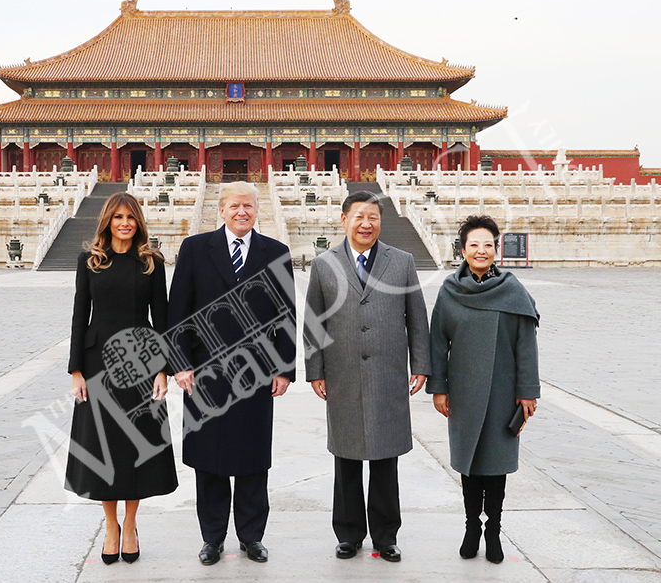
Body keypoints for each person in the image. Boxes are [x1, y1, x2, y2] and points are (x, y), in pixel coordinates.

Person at [168, 181, 296, 566]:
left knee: (253, 459)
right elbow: (179, 311)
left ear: (257, 210)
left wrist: (285, 368)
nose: (242, 212)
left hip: (255, 373)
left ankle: (252, 537)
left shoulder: (275, 252)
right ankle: (212, 539)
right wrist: (179, 363)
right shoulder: (195, 249)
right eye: (235, 206)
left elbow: (286, 316)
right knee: (209, 461)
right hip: (205, 372)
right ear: (220, 210)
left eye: (249, 206)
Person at [304, 190, 430, 563]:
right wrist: (315, 370)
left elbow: (417, 318)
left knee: (385, 458)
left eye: (373, 217)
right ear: (343, 220)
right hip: (342, 372)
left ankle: (386, 535)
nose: (366, 224)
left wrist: (420, 364)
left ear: (380, 221)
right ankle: (348, 533)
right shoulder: (324, 264)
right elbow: (314, 321)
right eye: (358, 217)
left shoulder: (402, 261)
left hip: (387, 372)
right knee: (345, 458)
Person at [66, 191, 178, 565]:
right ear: (107, 222)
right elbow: (80, 316)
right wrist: (76, 370)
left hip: (141, 363)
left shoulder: (150, 262)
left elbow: (161, 319)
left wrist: (164, 368)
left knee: (136, 448)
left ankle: (130, 524)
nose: (125, 223)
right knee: (103, 448)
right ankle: (110, 526)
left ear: (138, 222)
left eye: (130, 217)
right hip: (97, 364)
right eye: (117, 217)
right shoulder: (90, 261)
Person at [426, 214, 540, 564]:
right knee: (470, 465)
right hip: (463, 391)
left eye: (488, 245)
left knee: (496, 465)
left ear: (496, 249)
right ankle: (471, 527)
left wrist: (528, 391)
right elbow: (437, 342)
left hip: (503, 390)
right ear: (463, 249)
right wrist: (439, 388)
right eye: (473, 244)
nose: (481, 250)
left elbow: (525, 343)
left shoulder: (512, 289)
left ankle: (493, 531)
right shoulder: (450, 290)